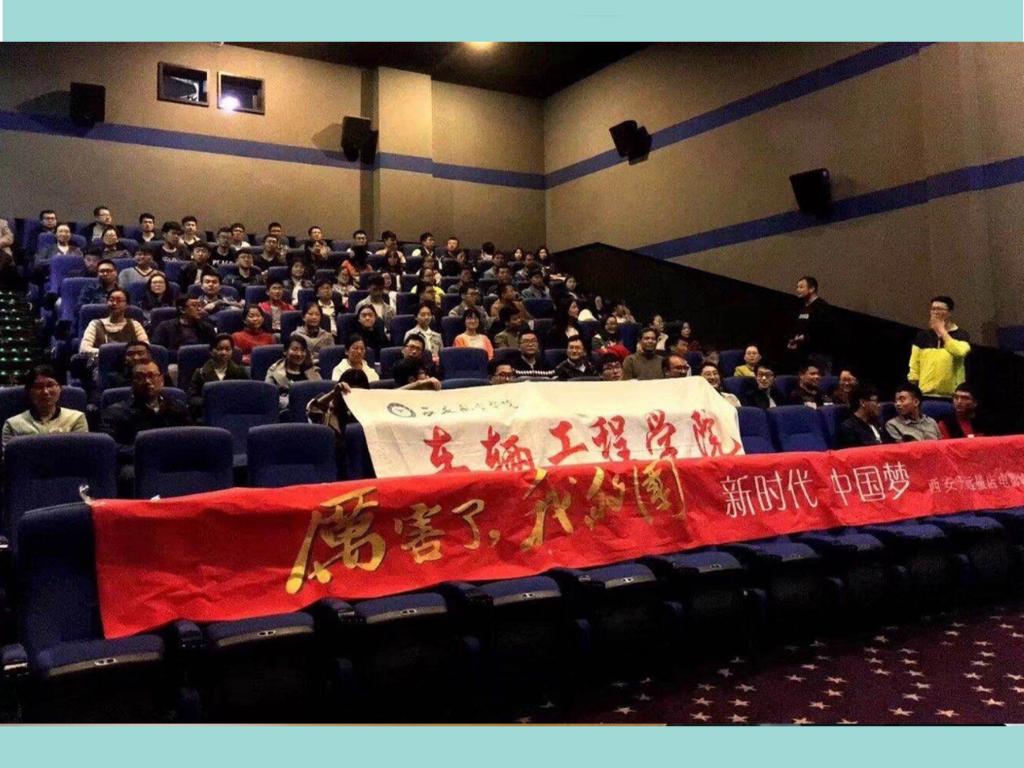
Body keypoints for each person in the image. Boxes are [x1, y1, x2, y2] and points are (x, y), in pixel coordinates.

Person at [99, 360, 191, 468]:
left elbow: (190, 438)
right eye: (140, 377)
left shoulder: (177, 408)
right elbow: (109, 446)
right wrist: (149, 453)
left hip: (175, 462)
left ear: (161, 380)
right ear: (132, 382)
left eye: (152, 376)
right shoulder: (115, 412)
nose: (147, 381)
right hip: (137, 464)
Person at [2, 365, 88, 449]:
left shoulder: (76, 418)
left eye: (50, 385)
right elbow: (10, 457)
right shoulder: (12, 425)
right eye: (38, 387)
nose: (45, 392)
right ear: (29, 391)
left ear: (60, 388)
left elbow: (80, 454)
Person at [908, 295, 971, 398]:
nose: (935, 312)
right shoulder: (923, 336)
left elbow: (960, 352)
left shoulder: (961, 334)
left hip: (952, 396)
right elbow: (914, 366)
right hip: (925, 395)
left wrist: (941, 330)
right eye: (933, 309)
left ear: (949, 313)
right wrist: (913, 392)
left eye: (940, 309)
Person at [188, 334, 250, 415]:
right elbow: (192, 398)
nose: (224, 352)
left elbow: (247, 395)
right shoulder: (200, 373)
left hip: (234, 413)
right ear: (211, 351)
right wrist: (210, 402)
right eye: (219, 349)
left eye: (228, 349)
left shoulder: (240, 372)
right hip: (208, 413)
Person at [79, 289, 148, 356]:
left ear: (127, 305)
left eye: (119, 301)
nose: (114, 303)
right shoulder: (94, 324)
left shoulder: (135, 325)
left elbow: (146, 347)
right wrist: (110, 353)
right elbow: (84, 349)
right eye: (111, 300)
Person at [787, 276, 834, 371]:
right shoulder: (803, 308)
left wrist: (804, 338)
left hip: (818, 355)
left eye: (801, 287)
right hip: (804, 354)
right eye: (797, 287)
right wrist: (794, 340)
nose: (798, 290)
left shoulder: (822, 307)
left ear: (812, 289)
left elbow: (823, 331)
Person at [265, 335, 322, 412]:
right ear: (285, 351)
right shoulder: (274, 371)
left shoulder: (312, 370)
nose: (299, 354)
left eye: (303, 350)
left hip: (311, 412)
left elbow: (321, 394)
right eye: (295, 349)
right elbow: (269, 397)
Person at [152, 296, 216, 354]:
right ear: (182, 310)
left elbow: (214, 348)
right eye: (194, 305)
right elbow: (158, 352)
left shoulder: (206, 327)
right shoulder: (165, 327)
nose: (199, 309)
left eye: (200, 305)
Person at [836, 384, 885, 448]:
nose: (879, 405)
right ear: (862, 403)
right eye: (875, 401)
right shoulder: (849, 427)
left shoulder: (876, 421)